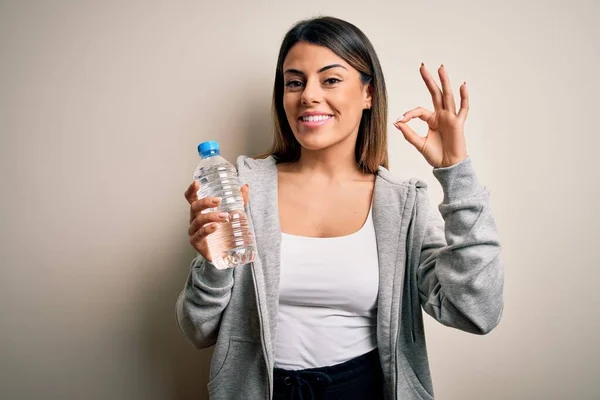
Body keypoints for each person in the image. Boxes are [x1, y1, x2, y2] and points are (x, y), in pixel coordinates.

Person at [177, 16, 504, 400]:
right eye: (294, 82)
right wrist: (214, 263)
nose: (308, 96)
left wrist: (456, 172)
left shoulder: (402, 205)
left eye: (330, 79)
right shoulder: (243, 190)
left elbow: (476, 312)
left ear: (368, 94)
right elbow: (198, 329)